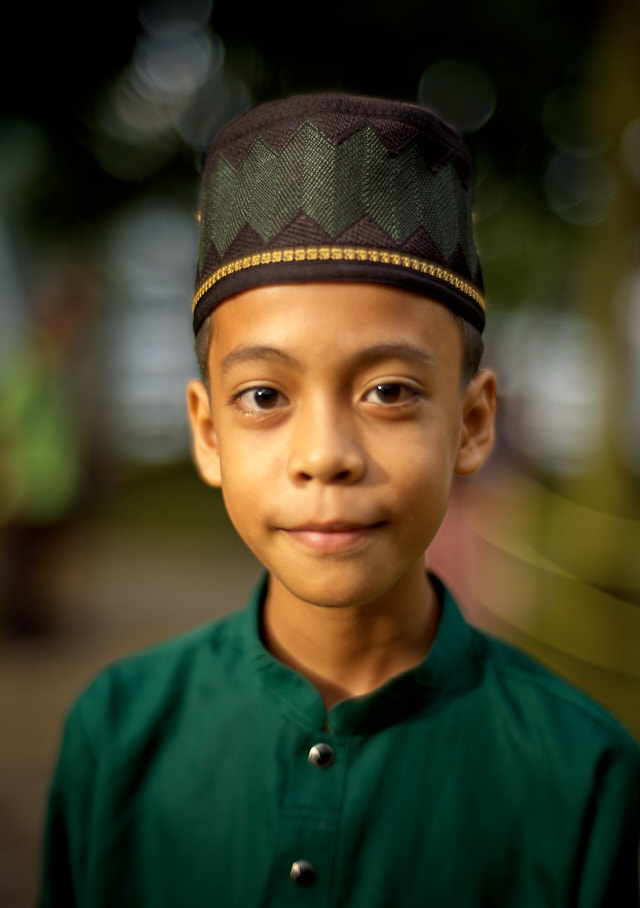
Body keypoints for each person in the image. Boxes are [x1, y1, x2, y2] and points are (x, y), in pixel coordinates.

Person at [39, 92, 640, 907]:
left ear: (471, 424)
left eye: (389, 391)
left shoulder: (585, 773)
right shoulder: (117, 732)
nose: (325, 455)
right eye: (262, 396)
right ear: (207, 432)